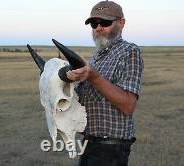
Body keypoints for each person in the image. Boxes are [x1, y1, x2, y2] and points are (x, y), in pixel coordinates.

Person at [66, 1, 144, 166]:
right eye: (94, 23)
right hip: (89, 141)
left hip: (111, 148)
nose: (98, 28)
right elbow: (86, 98)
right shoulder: (95, 56)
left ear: (121, 23)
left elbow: (129, 105)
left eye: (105, 22)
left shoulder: (130, 52)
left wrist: (95, 77)